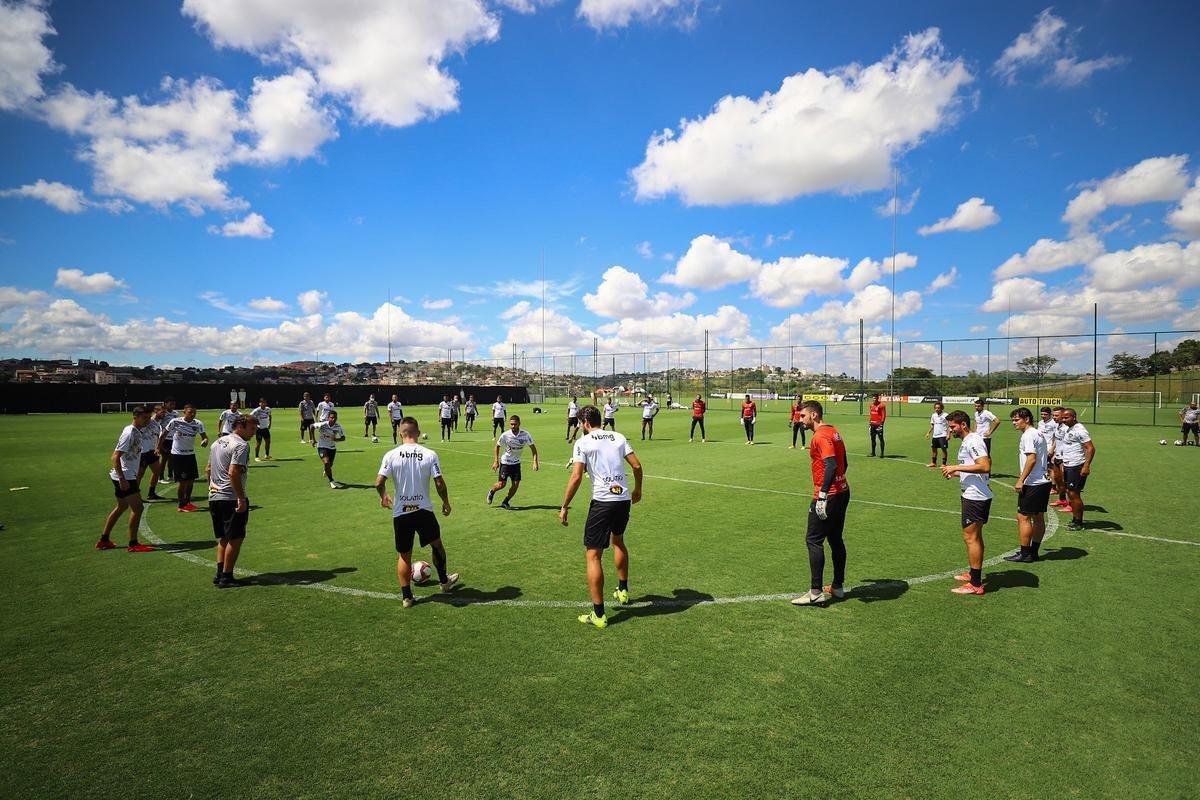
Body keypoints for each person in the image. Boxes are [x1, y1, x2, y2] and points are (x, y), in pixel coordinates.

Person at [560, 405, 643, 629]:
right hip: (622, 499)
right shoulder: (618, 436)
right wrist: (638, 490)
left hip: (603, 502)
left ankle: (598, 614)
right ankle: (623, 590)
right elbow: (636, 465)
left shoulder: (583, 442)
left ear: (585, 423)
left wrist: (565, 505)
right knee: (618, 540)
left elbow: (576, 476)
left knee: (593, 555)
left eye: (580, 423)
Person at [375, 417, 459, 608]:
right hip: (423, 510)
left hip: (401, 512)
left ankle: (407, 598)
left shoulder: (391, 455)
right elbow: (439, 482)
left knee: (405, 556)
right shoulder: (429, 454)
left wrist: (383, 496)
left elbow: (379, 482)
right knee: (437, 545)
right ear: (418, 433)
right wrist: (445, 502)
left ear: (400, 433)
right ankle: (444, 581)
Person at [790, 400, 850, 606]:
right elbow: (845, 463)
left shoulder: (821, 435)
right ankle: (838, 586)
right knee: (835, 538)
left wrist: (823, 494)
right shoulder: (834, 432)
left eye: (802, 416)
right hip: (842, 491)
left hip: (829, 494)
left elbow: (831, 464)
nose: (800, 420)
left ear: (814, 415)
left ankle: (815, 592)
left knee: (813, 540)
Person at [940, 410, 991, 596]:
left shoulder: (974, 440)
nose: (951, 430)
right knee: (974, 537)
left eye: (953, 426)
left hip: (976, 497)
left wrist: (956, 466)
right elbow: (975, 467)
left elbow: (985, 466)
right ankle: (973, 574)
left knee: (971, 538)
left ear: (963, 425)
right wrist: (957, 473)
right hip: (972, 494)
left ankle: (976, 584)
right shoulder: (969, 441)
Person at [207, 413, 257, 588]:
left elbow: (208, 469)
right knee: (235, 538)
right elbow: (234, 472)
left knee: (223, 537)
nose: (254, 432)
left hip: (214, 496)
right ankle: (227, 577)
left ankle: (220, 574)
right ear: (240, 426)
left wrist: (212, 489)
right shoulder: (241, 445)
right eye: (252, 428)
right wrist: (240, 498)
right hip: (230, 498)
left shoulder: (217, 442)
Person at [97, 406, 155, 552]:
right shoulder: (130, 433)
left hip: (126, 475)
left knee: (121, 507)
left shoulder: (136, 431)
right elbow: (115, 457)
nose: (147, 421)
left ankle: (104, 540)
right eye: (144, 418)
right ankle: (133, 544)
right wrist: (123, 479)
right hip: (125, 476)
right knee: (138, 508)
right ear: (135, 417)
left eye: (149, 418)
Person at [1004, 407, 1051, 563]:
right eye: (1013, 420)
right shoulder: (1037, 433)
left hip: (1033, 482)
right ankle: (1033, 552)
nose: (1014, 423)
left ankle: (1025, 553)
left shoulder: (1028, 436)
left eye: (1016, 420)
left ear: (1027, 419)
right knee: (1038, 517)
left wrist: (1021, 480)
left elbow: (1031, 459)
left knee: (1023, 517)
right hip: (1043, 481)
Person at [164, 403, 209, 512]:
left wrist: (205, 441)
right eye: (190, 412)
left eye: (194, 412)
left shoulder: (198, 424)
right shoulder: (175, 421)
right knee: (183, 482)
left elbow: (204, 437)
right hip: (178, 455)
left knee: (191, 480)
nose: (192, 414)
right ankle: (181, 505)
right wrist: (157, 447)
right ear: (184, 412)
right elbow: (163, 434)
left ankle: (187, 502)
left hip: (190, 455)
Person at [489, 415, 539, 509]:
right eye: (511, 424)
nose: (513, 426)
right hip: (505, 462)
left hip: (516, 463)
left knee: (516, 485)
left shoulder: (526, 435)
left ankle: (505, 502)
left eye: (515, 424)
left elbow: (533, 449)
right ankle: (492, 491)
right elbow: (497, 446)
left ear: (519, 423)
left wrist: (535, 462)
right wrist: (496, 461)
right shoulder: (505, 435)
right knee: (501, 484)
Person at [1058, 407, 1095, 531]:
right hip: (1068, 465)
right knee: (1070, 492)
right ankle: (1075, 519)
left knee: (1074, 493)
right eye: (1062, 417)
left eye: (1066, 417)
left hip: (1077, 466)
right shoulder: (1069, 428)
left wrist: (1086, 465)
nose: (1063, 420)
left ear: (1074, 417)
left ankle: (1079, 522)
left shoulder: (1080, 430)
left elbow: (1090, 448)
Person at [312, 410, 347, 488]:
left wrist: (336, 440)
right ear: (328, 418)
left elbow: (343, 438)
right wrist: (313, 439)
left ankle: (327, 471)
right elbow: (312, 426)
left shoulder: (338, 427)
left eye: (335, 418)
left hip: (332, 448)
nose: (333, 419)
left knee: (329, 465)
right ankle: (331, 481)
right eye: (331, 417)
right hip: (322, 446)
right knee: (327, 463)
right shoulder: (323, 424)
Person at [142, 404, 167, 500]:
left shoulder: (157, 424)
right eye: (162, 412)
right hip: (143, 452)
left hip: (152, 452)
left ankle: (151, 493)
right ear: (155, 411)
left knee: (157, 472)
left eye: (165, 412)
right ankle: (134, 495)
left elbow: (157, 437)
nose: (164, 414)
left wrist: (157, 448)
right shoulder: (148, 421)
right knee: (140, 475)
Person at [160, 396, 179, 482]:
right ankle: (160, 477)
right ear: (165, 404)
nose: (172, 406)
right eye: (170, 404)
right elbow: (157, 425)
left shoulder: (176, 413)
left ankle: (170, 475)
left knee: (171, 458)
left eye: (174, 404)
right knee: (164, 458)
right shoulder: (162, 413)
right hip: (164, 439)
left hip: (173, 439)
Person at [925, 401, 949, 467]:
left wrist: (948, 434)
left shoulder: (946, 415)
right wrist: (928, 433)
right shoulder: (933, 415)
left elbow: (949, 425)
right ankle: (933, 463)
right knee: (934, 449)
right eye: (935, 408)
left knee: (943, 449)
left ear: (942, 408)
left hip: (943, 435)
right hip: (935, 435)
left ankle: (944, 463)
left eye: (938, 408)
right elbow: (932, 425)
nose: (937, 409)